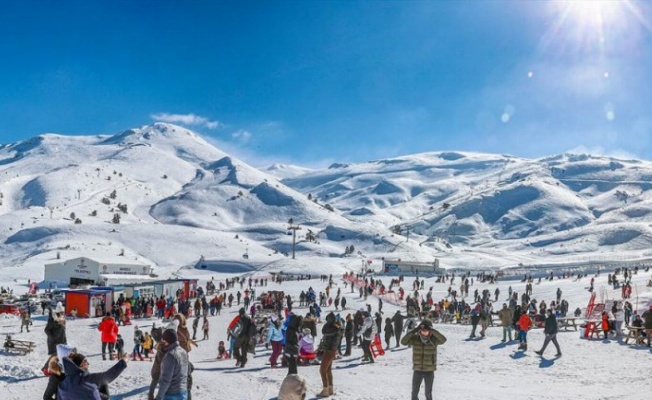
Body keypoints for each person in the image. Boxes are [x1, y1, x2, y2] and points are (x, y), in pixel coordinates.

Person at [400, 319, 447, 400]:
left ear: (430, 331)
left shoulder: (434, 339)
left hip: (429, 370)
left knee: (428, 393)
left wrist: (432, 330)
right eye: (422, 331)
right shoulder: (415, 339)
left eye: (426, 331)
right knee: (414, 393)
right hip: (417, 370)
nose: (424, 333)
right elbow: (403, 342)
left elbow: (443, 340)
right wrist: (414, 330)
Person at [58, 352, 129, 399]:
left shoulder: (62, 385)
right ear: (81, 364)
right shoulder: (88, 379)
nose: (88, 363)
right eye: (85, 361)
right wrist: (124, 361)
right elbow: (109, 375)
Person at [155, 328, 190, 400]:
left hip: (172, 394)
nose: (163, 343)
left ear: (167, 341)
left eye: (164, 340)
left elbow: (166, 380)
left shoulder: (170, 355)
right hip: (183, 391)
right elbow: (188, 370)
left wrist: (158, 397)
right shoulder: (183, 351)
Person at [316, 312, 341, 398]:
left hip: (329, 351)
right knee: (328, 370)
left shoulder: (332, 328)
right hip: (331, 351)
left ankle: (325, 390)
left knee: (322, 370)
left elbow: (324, 333)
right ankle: (330, 389)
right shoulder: (335, 327)